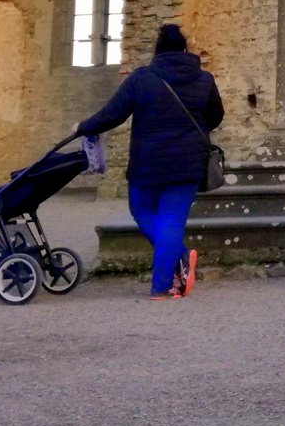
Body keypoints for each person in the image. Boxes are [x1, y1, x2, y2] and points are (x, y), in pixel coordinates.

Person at [78, 24, 223, 300]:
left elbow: (113, 114)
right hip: (187, 164)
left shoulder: (141, 78)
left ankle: (163, 283)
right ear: (184, 49)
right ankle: (177, 259)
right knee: (171, 221)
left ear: (158, 49)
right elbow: (215, 116)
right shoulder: (205, 80)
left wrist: (85, 127)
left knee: (141, 211)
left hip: (147, 164)